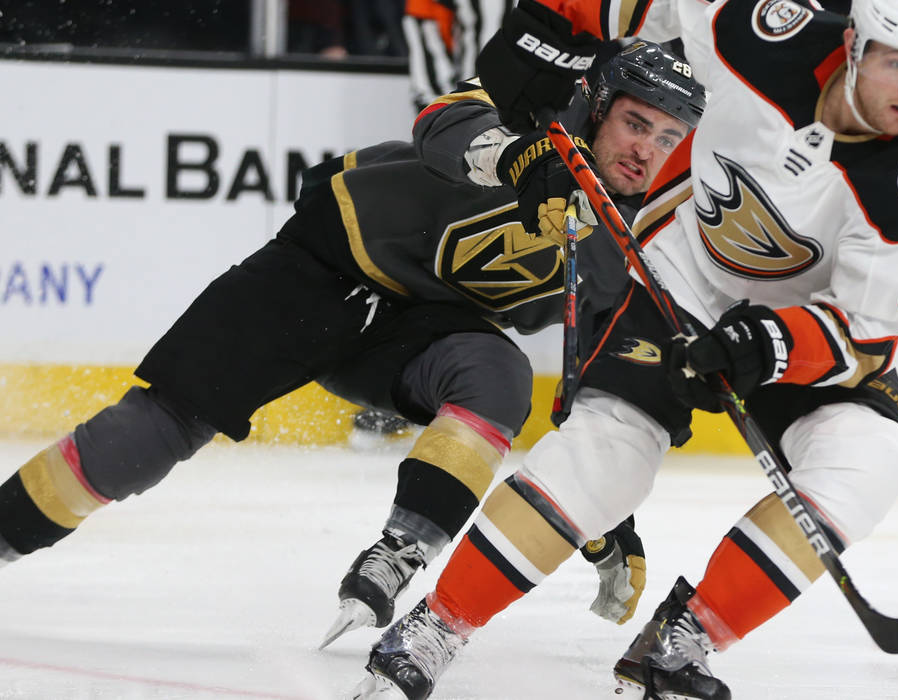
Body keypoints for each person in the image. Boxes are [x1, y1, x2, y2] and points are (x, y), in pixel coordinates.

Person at [352, 0, 898, 699]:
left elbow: (867, 336)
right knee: (609, 456)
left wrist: (765, 344)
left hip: (805, 328)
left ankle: (684, 641)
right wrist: (558, 24)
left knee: (869, 461)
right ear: (856, 44)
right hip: (682, 280)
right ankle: (435, 625)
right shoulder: (763, 35)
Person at [0, 40, 705, 654]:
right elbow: (441, 120)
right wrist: (522, 161)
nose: (646, 149)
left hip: (423, 329)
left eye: (667, 138)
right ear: (600, 105)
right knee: (153, 433)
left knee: (498, 374)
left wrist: (610, 513)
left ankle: (399, 551)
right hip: (326, 264)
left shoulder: (630, 247)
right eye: (635, 123)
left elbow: (597, 389)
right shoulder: (541, 107)